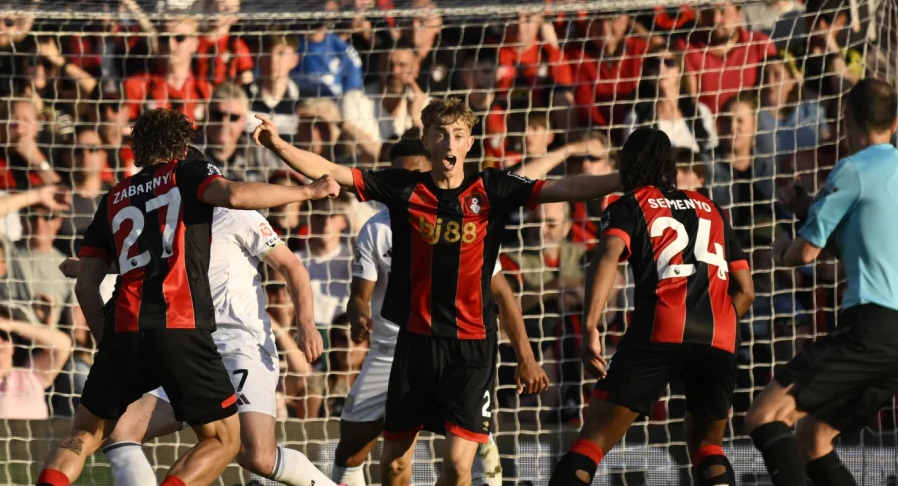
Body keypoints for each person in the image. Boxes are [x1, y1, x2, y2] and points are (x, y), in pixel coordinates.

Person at [252, 96, 620, 486]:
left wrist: (622, 180)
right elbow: (330, 170)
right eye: (440, 134)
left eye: (458, 135)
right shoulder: (402, 190)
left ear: (470, 143)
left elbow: (566, 187)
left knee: (459, 466)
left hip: (471, 348)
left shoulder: (491, 188)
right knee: (394, 465)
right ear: (426, 141)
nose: (449, 143)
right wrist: (278, 145)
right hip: (414, 347)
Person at [33, 108, 340, 486]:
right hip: (183, 331)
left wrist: (105, 341)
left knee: (84, 433)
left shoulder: (114, 198)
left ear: (135, 148)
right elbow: (230, 194)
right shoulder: (188, 177)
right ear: (182, 146)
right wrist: (307, 191)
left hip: (151, 333)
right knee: (223, 440)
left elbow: (96, 280)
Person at [743, 78, 898, 486]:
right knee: (814, 438)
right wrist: (807, 210)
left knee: (762, 416)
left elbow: (804, 254)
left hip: (867, 328)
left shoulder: (853, 169)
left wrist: (781, 250)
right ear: (895, 123)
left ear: (845, 120)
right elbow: (864, 244)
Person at [331, 139, 548, 486]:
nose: (415, 180)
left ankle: (483, 443)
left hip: (458, 349)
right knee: (359, 455)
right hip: (392, 353)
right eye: (405, 174)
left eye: (420, 171)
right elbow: (359, 296)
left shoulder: (463, 223)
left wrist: (526, 357)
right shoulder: (376, 230)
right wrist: (358, 315)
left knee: (459, 462)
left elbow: (504, 297)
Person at [76, 197, 334, 486]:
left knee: (257, 455)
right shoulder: (163, 220)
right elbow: (147, 261)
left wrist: (306, 323)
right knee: (121, 431)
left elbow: (291, 266)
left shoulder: (236, 213)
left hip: (239, 346)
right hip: (187, 347)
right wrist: (91, 269)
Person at [548, 127, 755, 486]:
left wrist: (591, 326)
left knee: (592, 440)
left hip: (660, 327)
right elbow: (746, 290)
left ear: (628, 165)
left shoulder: (629, 203)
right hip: (721, 336)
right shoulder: (713, 209)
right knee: (708, 447)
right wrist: (720, 322)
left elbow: (608, 254)